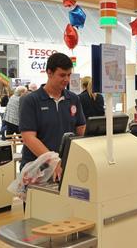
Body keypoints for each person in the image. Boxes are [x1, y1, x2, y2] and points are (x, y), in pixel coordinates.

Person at [19, 53, 86, 182]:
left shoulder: (73, 99)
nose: (66, 79)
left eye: (68, 75)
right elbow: (28, 138)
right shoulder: (31, 100)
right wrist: (53, 161)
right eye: (62, 75)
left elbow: (81, 129)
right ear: (49, 72)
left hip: (66, 168)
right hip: (37, 170)